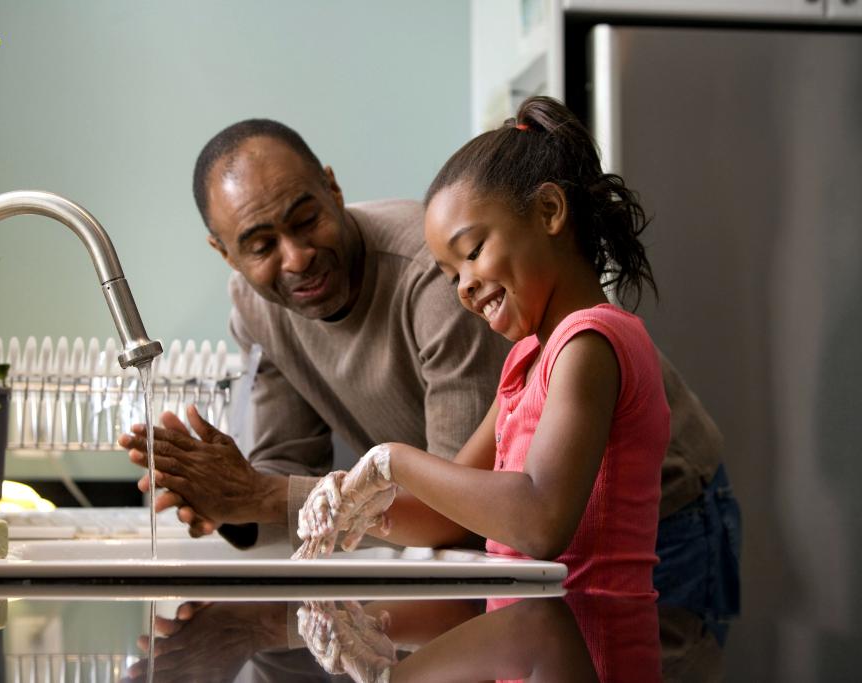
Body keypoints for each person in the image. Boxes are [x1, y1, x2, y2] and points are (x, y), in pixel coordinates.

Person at [119, 116, 739, 601]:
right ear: (225, 253)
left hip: (657, 530)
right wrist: (230, 500)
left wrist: (383, 466)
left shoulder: (552, 332)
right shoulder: (523, 353)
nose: (296, 258)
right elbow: (433, 511)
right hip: (541, 570)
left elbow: (504, 517)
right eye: (259, 245)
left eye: (306, 219)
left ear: (333, 188)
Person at [294, 96, 668, 597]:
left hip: (590, 636)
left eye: (473, 252)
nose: (465, 286)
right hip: (533, 632)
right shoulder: (525, 361)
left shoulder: (587, 344)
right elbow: (449, 516)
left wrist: (392, 461)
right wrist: (361, 506)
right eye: (452, 276)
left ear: (549, 211)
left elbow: (540, 520)